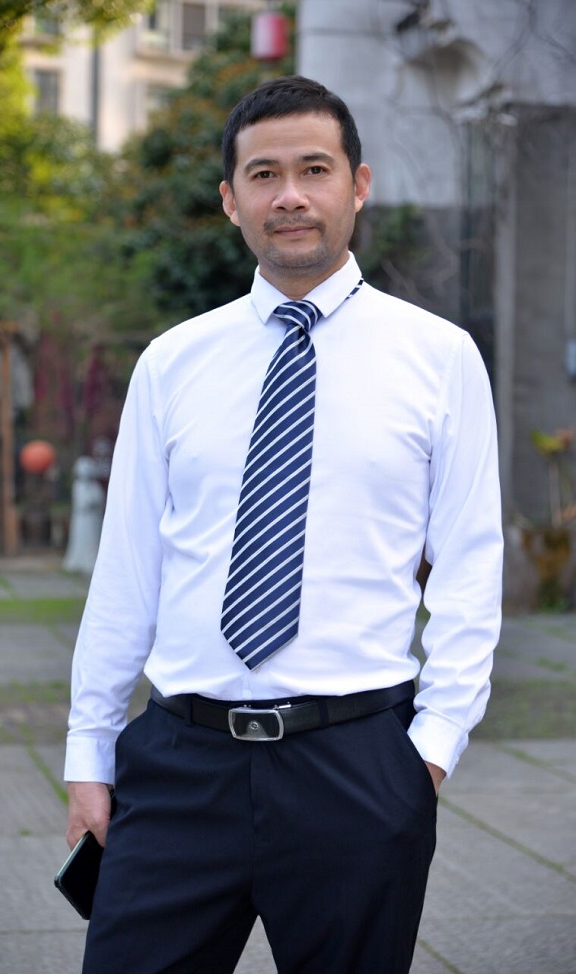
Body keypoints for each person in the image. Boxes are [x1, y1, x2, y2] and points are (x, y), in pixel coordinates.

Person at [64, 75, 503, 974]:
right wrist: (89, 751)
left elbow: (470, 567)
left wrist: (428, 754)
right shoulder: (173, 362)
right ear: (232, 200)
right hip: (180, 767)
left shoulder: (439, 357)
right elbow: (128, 570)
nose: (290, 195)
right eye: (264, 175)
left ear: (358, 185)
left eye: (315, 169)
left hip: (358, 769)